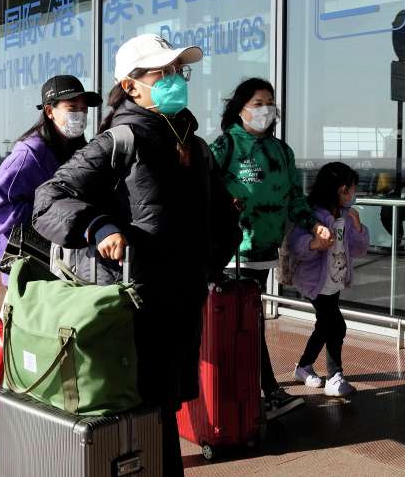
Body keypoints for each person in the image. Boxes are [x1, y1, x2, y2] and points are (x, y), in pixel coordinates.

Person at [32, 34, 235, 476]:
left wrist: (207, 261)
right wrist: (97, 226)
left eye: (179, 71)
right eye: (161, 72)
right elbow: (48, 199)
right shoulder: (120, 139)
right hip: (134, 312)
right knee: (137, 418)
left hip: (181, 305)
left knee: (162, 412)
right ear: (130, 86)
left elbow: (221, 222)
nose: (175, 79)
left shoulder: (195, 146)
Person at [210, 77, 333, 419]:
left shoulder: (281, 151)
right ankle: (265, 391)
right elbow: (202, 189)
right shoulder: (226, 147)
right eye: (258, 103)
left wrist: (313, 224)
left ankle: (254, 390)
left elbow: (294, 199)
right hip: (233, 250)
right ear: (240, 108)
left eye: (270, 103)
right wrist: (224, 205)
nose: (266, 110)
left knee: (250, 321)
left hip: (265, 252)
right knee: (247, 321)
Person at [0, 75, 101, 284]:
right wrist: (48, 216)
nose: (80, 115)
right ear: (49, 111)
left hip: (63, 263)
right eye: (72, 107)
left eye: (84, 109)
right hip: (28, 266)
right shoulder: (28, 156)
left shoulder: (80, 150)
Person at [287, 162, 370, 397]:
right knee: (335, 325)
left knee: (325, 325)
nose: (354, 194)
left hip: (335, 280)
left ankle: (303, 367)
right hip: (316, 282)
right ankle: (335, 376)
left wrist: (358, 227)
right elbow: (296, 245)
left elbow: (358, 249)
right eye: (352, 189)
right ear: (341, 190)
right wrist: (314, 243)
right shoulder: (314, 215)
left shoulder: (345, 216)